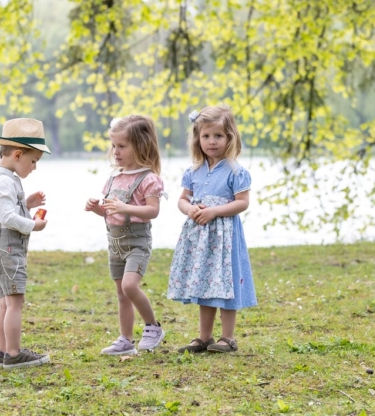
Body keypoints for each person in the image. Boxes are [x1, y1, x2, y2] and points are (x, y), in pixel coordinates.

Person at [167, 105, 257, 353]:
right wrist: (189, 210)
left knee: (225, 283)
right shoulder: (193, 171)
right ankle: (204, 336)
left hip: (224, 237)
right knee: (205, 283)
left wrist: (214, 211)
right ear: (198, 139)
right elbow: (182, 199)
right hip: (200, 237)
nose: (212, 141)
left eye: (218, 136)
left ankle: (227, 337)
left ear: (230, 138)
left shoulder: (236, 171)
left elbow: (242, 202)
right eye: (206, 136)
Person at [85, 115, 166, 355]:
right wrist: (97, 209)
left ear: (140, 146)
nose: (116, 151)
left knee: (131, 286)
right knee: (121, 293)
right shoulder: (114, 177)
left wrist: (125, 207)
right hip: (115, 242)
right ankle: (126, 340)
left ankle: (153, 327)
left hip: (137, 242)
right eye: (114, 146)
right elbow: (111, 214)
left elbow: (153, 211)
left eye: (122, 146)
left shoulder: (149, 179)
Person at [0, 118, 51, 369]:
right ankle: (13, 353)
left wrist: (28, 204)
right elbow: (7, 217)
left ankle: (2, 352)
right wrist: (33, 224)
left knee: (4, 302)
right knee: (15, 302)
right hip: (7, 248)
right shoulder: (5, 181)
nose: (34, 168)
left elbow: (2, 208)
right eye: (33, 161)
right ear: (18, 154)